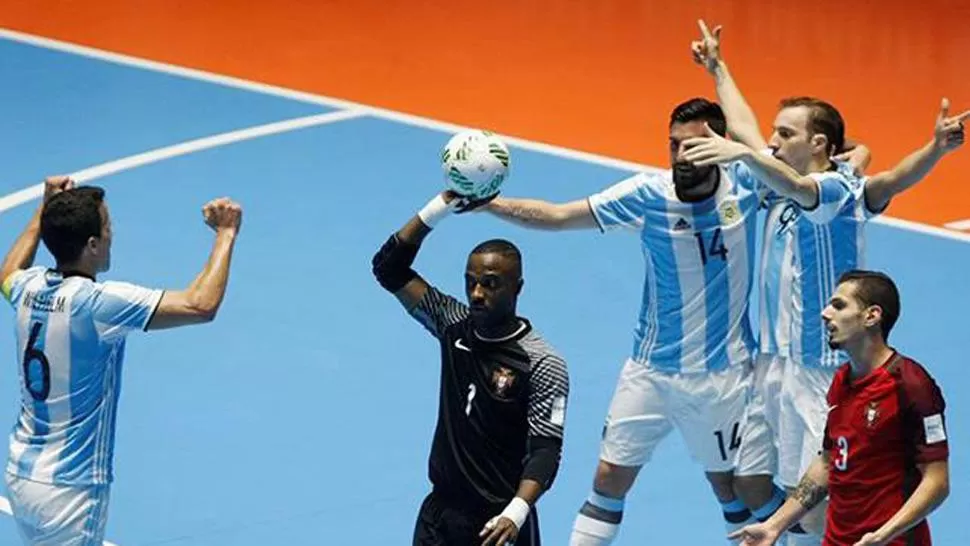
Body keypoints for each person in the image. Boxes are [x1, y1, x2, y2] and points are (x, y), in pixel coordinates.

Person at [688, 20, 967, 544]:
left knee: (814, 494)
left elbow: (831, 182)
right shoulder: (773, 170)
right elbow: (748, 132)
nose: (771, 141)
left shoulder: (838, 189)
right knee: (749, 479)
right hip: (767, 359)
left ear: (819, 142)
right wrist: (717, 69)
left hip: (814, 369)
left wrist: (932, 150)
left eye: (785, 134)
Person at [480, 97, 781, 545]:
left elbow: (817, 161)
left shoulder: (749, 183)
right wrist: (490, 204)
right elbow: (560, 216)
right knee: (608, 478)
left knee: (731, 487)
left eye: (694, 146)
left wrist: (854, 157)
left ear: (720, 145)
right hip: (649, 373)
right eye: (674, 144)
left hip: (722, 376)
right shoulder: (648, 195)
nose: (681, 156)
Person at [0, 177, 243, 545]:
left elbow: (7, 273)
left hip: (22, 472)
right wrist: (226, 233)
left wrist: (44, 208)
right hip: (70, 490)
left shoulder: (27, 288)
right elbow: (200, 304)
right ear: (92, 244)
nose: (113, 234)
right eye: (108, 227)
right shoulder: (98, 305)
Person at [371, 190, 569, 546]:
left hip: (498, 523)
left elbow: (545, 451)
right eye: (471, 282)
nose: (477, 293)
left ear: (517, 288)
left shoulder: (541, 361)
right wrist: (440, 206)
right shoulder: (453, 325)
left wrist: (516, 512)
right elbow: (389, 268)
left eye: (491, 283)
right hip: (440, 516)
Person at [730, 270, 950, 546]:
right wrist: (775, 525)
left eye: (839, 305)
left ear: (872, 316)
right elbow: (828, 461)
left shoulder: (911, 385)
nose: (825, 313)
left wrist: (884, 535)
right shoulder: (841, 381)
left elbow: (937, 481)